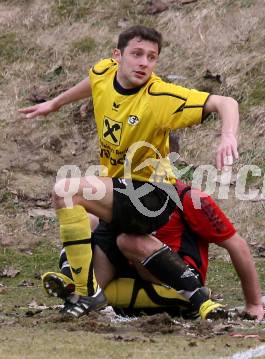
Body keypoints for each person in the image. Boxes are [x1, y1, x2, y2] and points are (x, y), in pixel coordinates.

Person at [19, 25, 239, 319]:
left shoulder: (159, 95)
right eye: (137, 54)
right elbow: (94, 82)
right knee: (90, 236)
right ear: (117, 56)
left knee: (66, 191)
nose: (144, 63)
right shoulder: (104, 71)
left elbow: (225, 102)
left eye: (151, 57)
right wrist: (56, 103)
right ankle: (197, 299)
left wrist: (228, 136)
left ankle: (87, 294)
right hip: (120, 193)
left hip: (151, 194)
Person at [43, 179, 264, 320]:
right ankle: (77, 287)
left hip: (178, 281)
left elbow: (237, 245)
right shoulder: (121, 193)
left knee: (130, 241)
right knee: (88, 217)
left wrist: (254, 304)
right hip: (132, 276)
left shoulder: (191, 198)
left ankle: (194, 298)